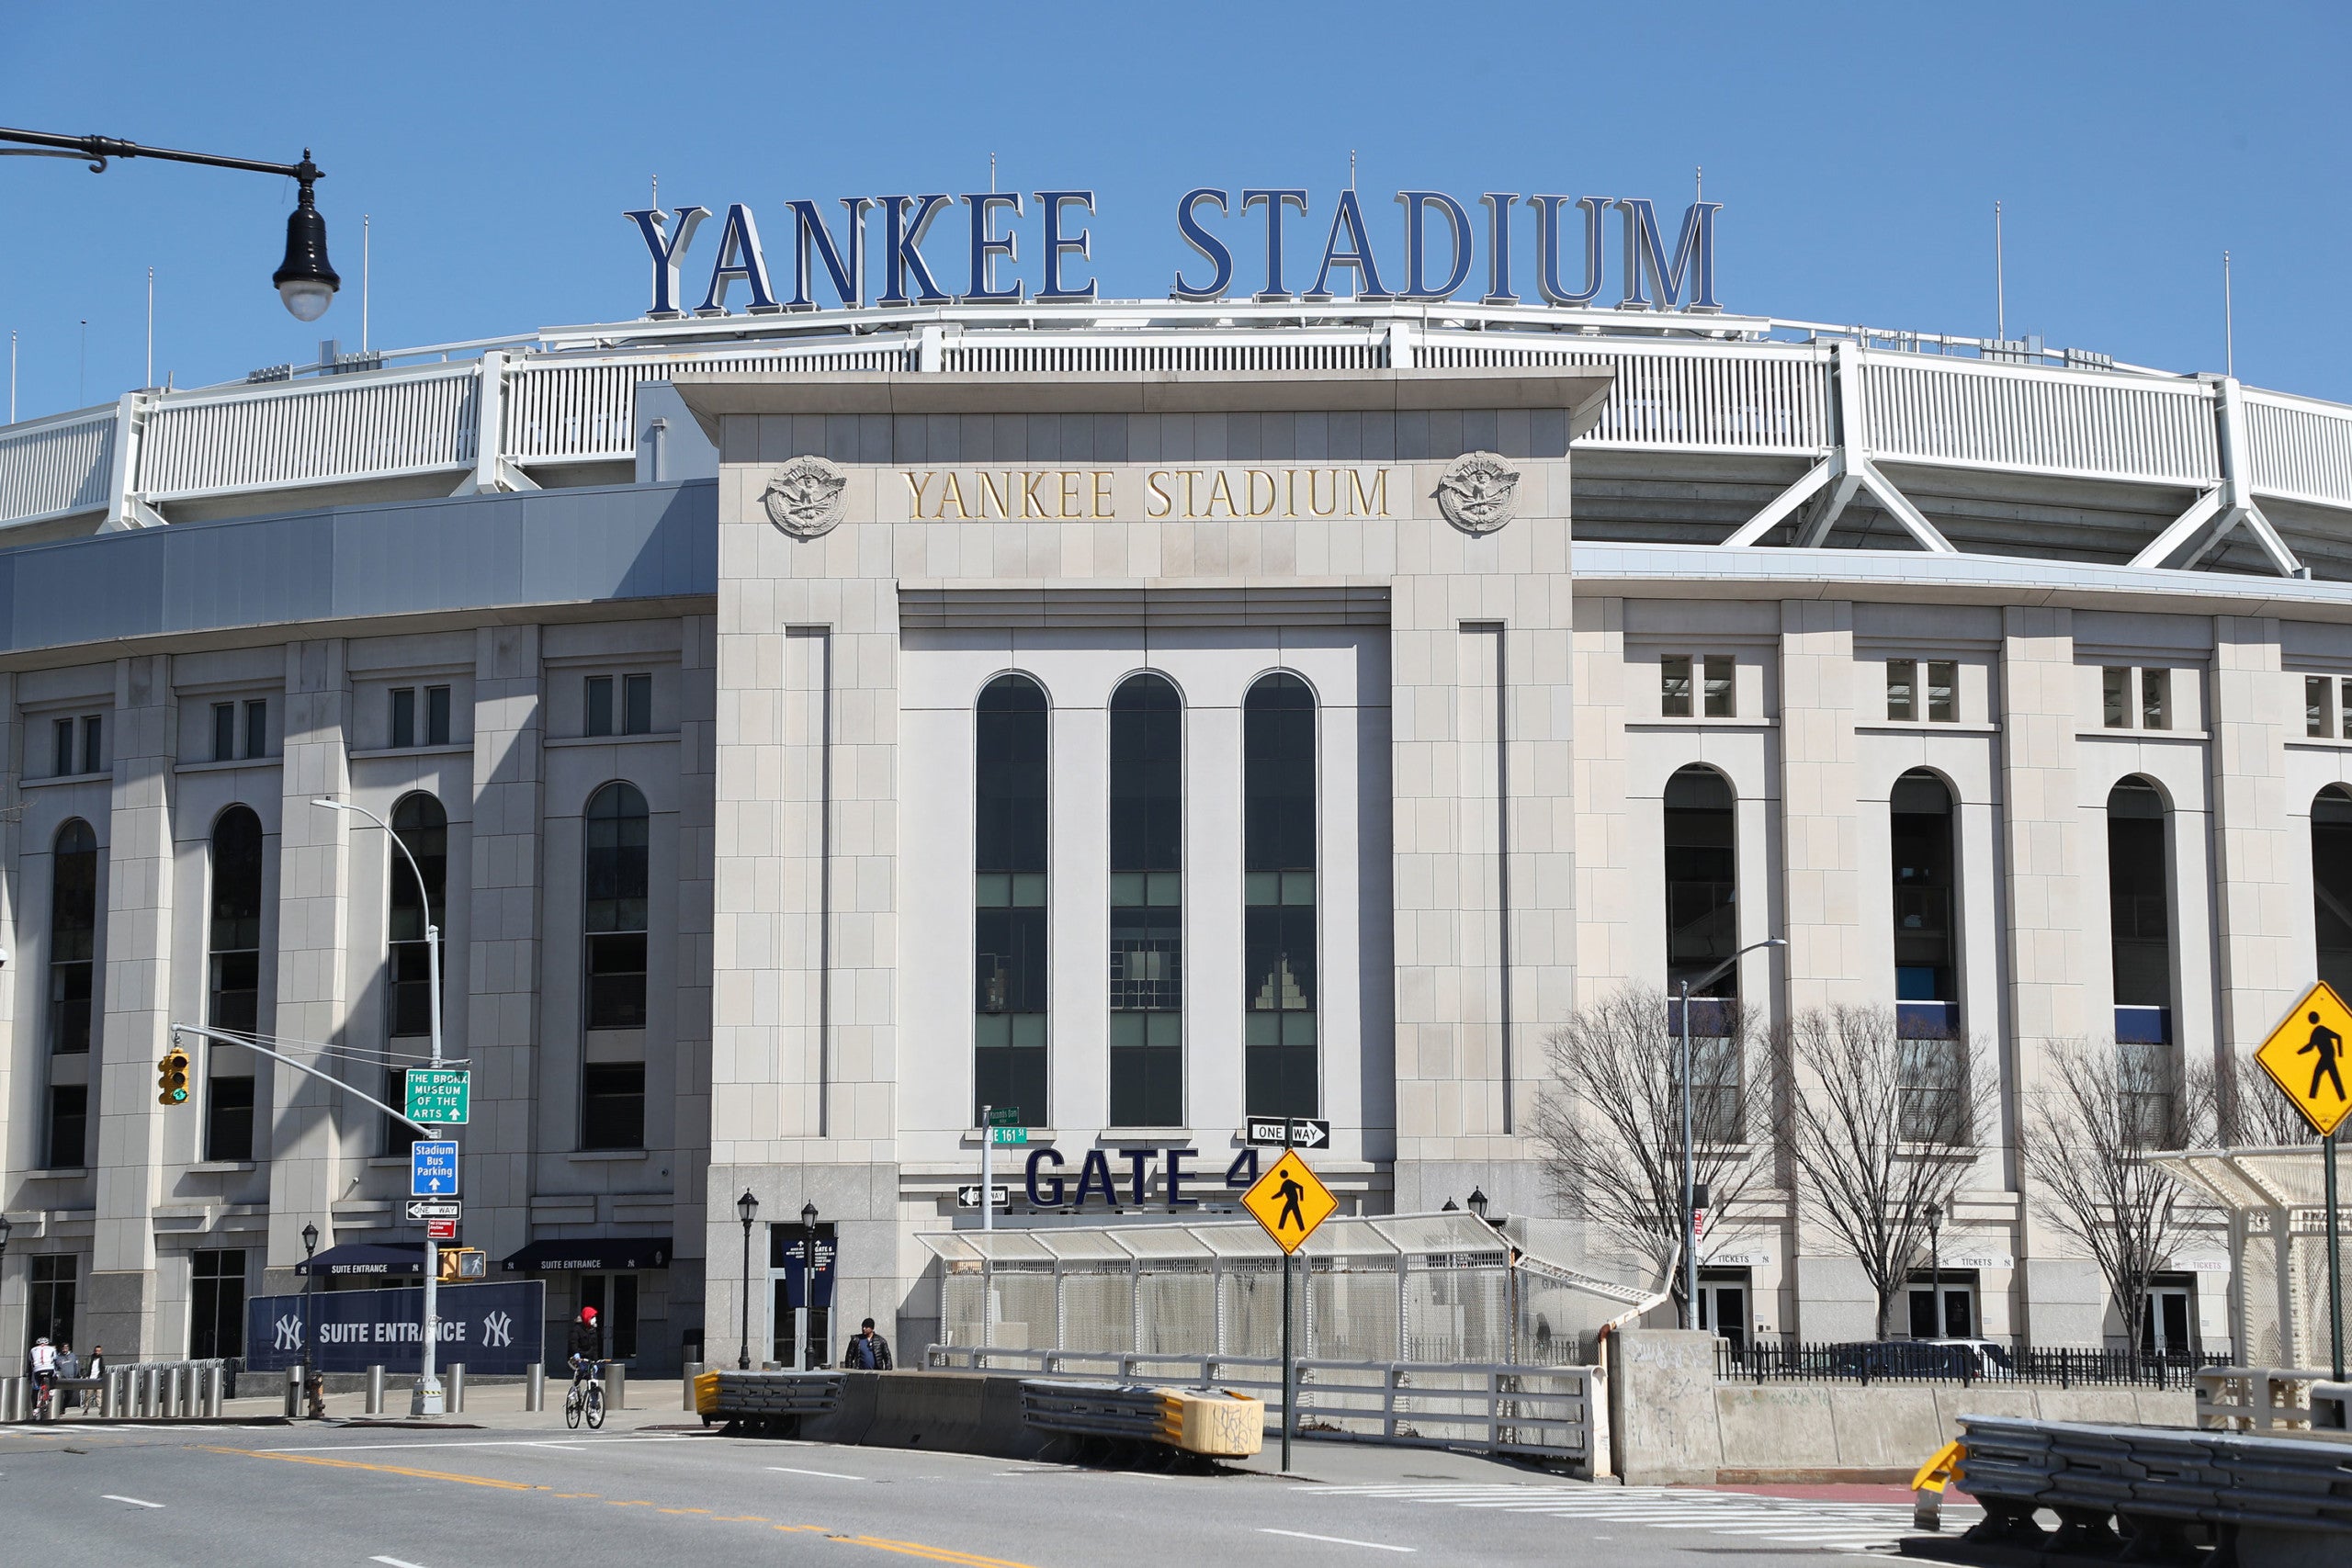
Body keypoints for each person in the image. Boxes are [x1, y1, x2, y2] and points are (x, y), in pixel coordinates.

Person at [566, 1305, 602, 1389]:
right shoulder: (577, 1329)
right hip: (576, 1357)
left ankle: (594, 1398)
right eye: (592, 1317)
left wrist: (595, 1361)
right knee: (581, 1369)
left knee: (592, 1376)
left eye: (594, 1317)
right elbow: (573, 1343)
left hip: (587, 1358)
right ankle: (575, 1388)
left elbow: (595, 1347)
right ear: (587, 1317)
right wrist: (576, 1353)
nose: (594, 1319)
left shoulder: (593, 1331)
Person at [28, 1337, 57, 1420]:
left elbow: (30, 1362)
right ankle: (51, 1391)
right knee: (55, 1375)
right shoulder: (52, 1349)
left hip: (37, 1370)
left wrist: (30, 1376)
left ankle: (35, 1409)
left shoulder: (33, 1350)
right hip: (49, 1368)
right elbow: (56, 1360)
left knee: (35, 1389)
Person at [55, 1342, 80, 1411]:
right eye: (63, 1348)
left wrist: (76, 1376)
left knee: (69, 1395)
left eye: (66, 1348)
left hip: (70, 1379)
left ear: (68, 1348)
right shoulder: (58, 1357)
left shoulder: (73, 1356)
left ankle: (64, 1406)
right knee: (60, 1395)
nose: (65, 1349)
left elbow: (76, 1366)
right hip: (61, 1379)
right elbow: (55, 1367)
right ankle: (60, 1409)